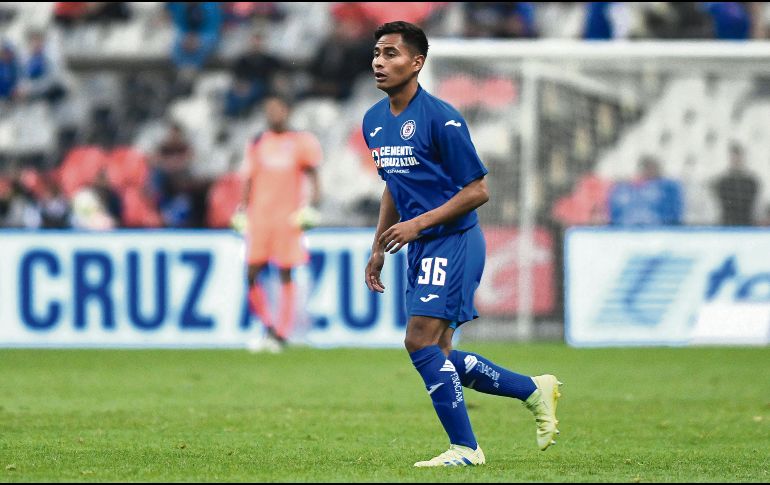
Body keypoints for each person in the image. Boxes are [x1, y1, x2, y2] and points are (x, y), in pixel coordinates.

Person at [362, 21, 562, 468]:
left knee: (419, 342)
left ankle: (466, 449)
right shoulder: (373, 121)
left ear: (417, 63)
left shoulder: (441, 118)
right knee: (441, 352)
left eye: (391, 53)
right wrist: (378, 246)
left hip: (452, 240)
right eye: (377, 52)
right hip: (420, 246)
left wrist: (417, 226)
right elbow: (392, 186)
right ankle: (533, 389)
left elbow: (478, 190)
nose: (379, 61)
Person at [241, 96, 322, 351]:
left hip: (287, 218)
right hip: (260, 218)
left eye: (277, 109)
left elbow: (314, 177)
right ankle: (268, 326)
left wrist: (311, 207)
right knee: (252, 273)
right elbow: (250, 179)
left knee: (285, 271)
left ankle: (282, 334)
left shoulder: (301, 142)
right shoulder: (258, 142)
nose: (273, 113)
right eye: (269, 109)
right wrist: (242, 209)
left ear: (287, 111)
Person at [712, 143, 759, 226]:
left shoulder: (751, 182)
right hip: (727, 224)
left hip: (746, 224)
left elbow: (752, 205)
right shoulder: (722, 182)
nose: (736, 160)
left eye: (738, 157)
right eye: (733, 157)